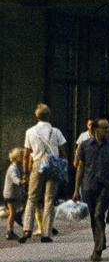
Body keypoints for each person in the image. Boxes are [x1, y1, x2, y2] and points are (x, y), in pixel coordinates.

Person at [74, 117, 109, 262]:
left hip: (107, 185)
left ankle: (98, 248)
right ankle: (101, 242)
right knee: (95, 217)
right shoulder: (85, 145)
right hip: (89, 185)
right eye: (104, 128)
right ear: (95, 129)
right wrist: (76, 189)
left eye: (108, 128)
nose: (107, 130)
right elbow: (80, 167)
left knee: (98, 213)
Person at [19, 103, 67, 243]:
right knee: (49, 199)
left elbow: (26, 154)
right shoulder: (56, 131)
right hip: (53, 165)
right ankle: (46, 233)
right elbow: (64, 151)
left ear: (36, 116)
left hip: (37, 164)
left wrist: (25, 173)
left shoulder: (30, 132)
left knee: (32, 198)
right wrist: (62, 165)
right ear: (49, 115)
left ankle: (27, 229)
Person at [4, 147, 24, 241]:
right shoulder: (13, 168)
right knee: (12, 213)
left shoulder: (17, 167)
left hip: (13, 193)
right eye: (22, 156)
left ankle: (17, 217)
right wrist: (21, 182)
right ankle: (9, 232)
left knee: (13, 212)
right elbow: (14, 178)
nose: (24, 158)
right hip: (10, 194)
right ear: (16, 158)